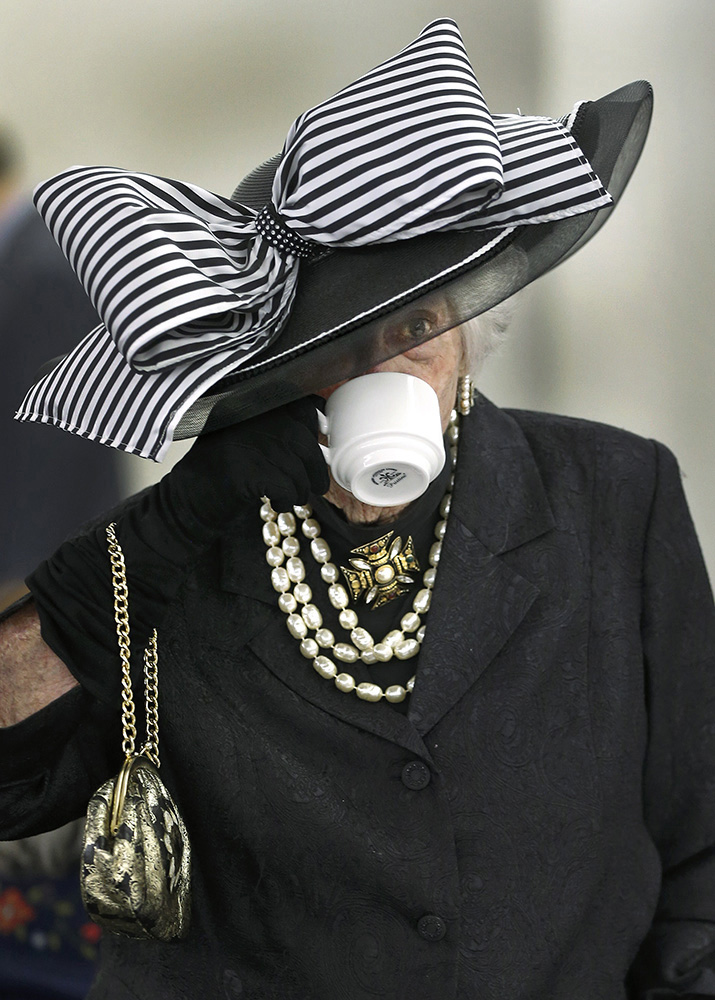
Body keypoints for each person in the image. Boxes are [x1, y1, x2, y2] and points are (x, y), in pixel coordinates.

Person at [1, 18, 714, 999]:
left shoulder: (615, 493)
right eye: (339, 343)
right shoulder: (178, 547)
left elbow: (701, 846)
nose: (387, 367)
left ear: (469, 328)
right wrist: (169, 525)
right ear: (275, 373)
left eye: (416, 323)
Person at [0, 125, 122, 611]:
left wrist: (21, 571)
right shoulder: (21, 254)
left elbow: (53, 431)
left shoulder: (44, 268)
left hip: (51, 563)